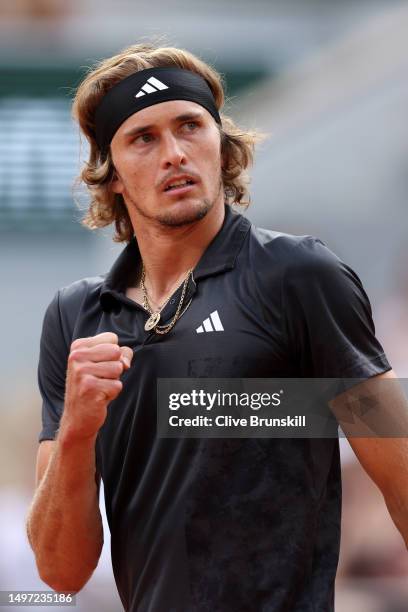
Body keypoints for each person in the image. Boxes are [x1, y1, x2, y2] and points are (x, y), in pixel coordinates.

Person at [26, 42, 408, 612]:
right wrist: (79, 430)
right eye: (144, 138)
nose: (175, 153)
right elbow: (60, 574)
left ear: (222, 148)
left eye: (190, 127)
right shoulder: (75, 318)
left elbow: (398, 461)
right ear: (111, 177)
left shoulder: (301, 276)